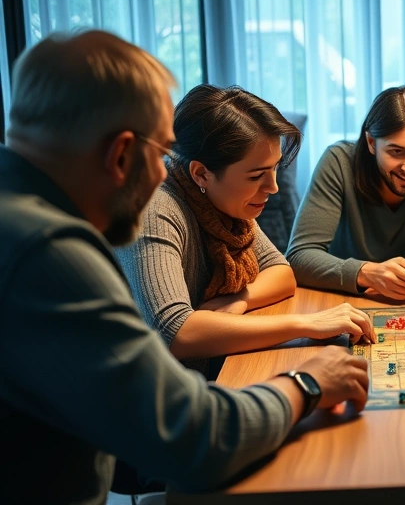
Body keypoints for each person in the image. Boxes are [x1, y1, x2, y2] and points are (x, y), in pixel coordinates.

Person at [0, 30, 369, 504]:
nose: (163, 171)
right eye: (160, 153)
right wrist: (309, 382)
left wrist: (234, 305)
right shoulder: (49, 253)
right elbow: (196, 437)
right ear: (121, 154)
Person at [115, 84, 374, 381]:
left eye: (275, 169)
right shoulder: (155, 208)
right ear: (201, 173)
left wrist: (238, 302)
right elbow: (176, 333)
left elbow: (281, 273)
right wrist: (307, 324)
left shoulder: (219, 200)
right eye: (256, 176)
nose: (273, 187)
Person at [287, 86, 405, 300]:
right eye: (396, 151)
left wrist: (389, 276)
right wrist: (367, 274)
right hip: (341, 300)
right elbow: (299, 257)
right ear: (371, 143)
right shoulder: (338, 161)